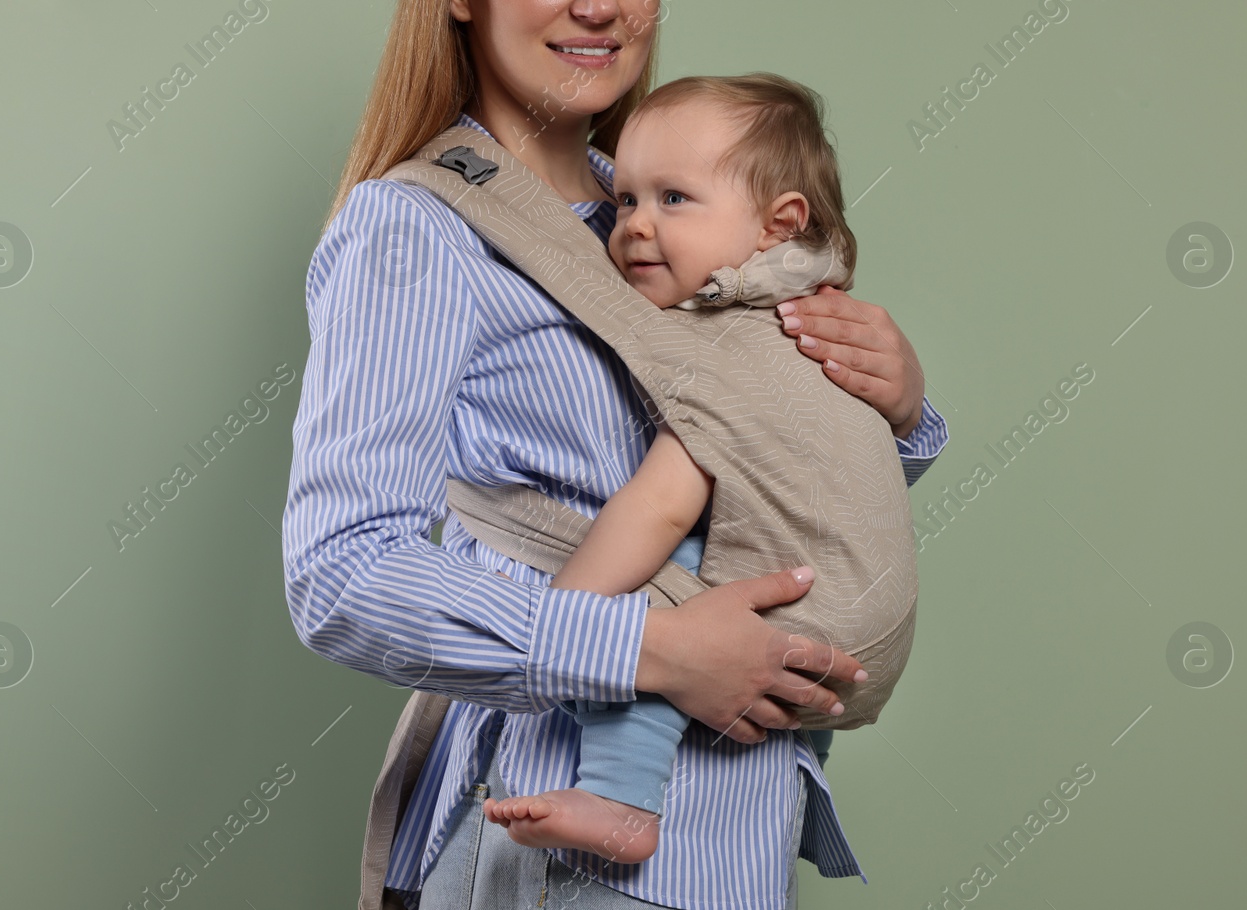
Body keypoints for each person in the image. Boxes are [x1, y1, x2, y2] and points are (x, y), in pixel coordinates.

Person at [282, 1, 949, 907]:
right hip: (565, 836)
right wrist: (652, 649)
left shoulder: (681, 194)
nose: (597, 4)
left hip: (739, 829)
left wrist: (899, 409)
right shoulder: (417, 229)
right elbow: (342, 574)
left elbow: (758, 478)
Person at [477, 70, 915, 866]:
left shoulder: (722, 346)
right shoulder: (806, 311)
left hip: (813, 625)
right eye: (628, 200)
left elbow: (659, 506)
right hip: (857, 627)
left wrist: (567, 620)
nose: (636, 226)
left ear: (777, 224)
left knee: (661, 584)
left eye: (673, 200)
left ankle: (620, 798)